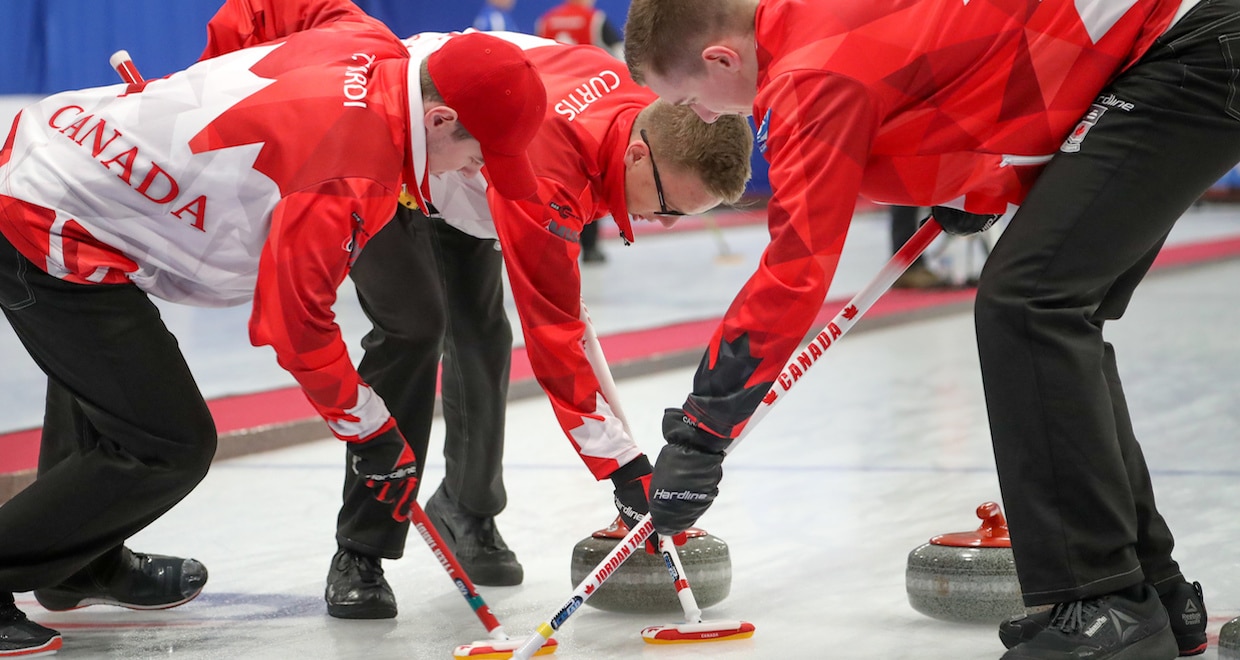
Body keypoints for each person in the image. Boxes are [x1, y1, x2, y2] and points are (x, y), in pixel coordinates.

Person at [623, 0, 1236, 658]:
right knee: (1052, 308)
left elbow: (796, 271)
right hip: (1176, 44)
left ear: (721, 58)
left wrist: (702, 434)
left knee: (1029, 304)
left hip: (1186, 46)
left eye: (690, 100)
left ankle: (1104, 604)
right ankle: (1146, 591)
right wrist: (973, 185)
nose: (708, 117)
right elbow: (966, 55)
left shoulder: (808, 75)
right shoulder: (813, 18)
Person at [0, 0, 547, 652]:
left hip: (66, 156)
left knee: (128, 400)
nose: (473, 171)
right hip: (47, 218)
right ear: (440, 118)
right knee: (167, 444)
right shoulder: (354, 168)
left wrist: (191, 98)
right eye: (476, 154)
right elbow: (294, 320)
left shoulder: (366, 40)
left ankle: (78, 562)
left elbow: (269, 5)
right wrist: (371, 432)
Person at [322, 30, 756, 618]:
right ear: (637, 153)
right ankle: (361, 550)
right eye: (669, 207)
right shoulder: (550, 174)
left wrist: (622, 463)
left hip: (477, 171)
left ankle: (466, 509)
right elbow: (554, 333)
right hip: (401, 146)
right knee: (414, 328)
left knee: (482, 337)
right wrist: (625, 470)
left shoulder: (645, 116)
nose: (669, 224)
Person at [535, 0, 626, 265]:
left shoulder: (546, 21)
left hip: (553, 107)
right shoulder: (596, 20)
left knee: (557, 175)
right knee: (590, 175)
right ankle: (591, 246)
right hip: (590, 107)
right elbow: (622, 59)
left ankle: (556, 241)